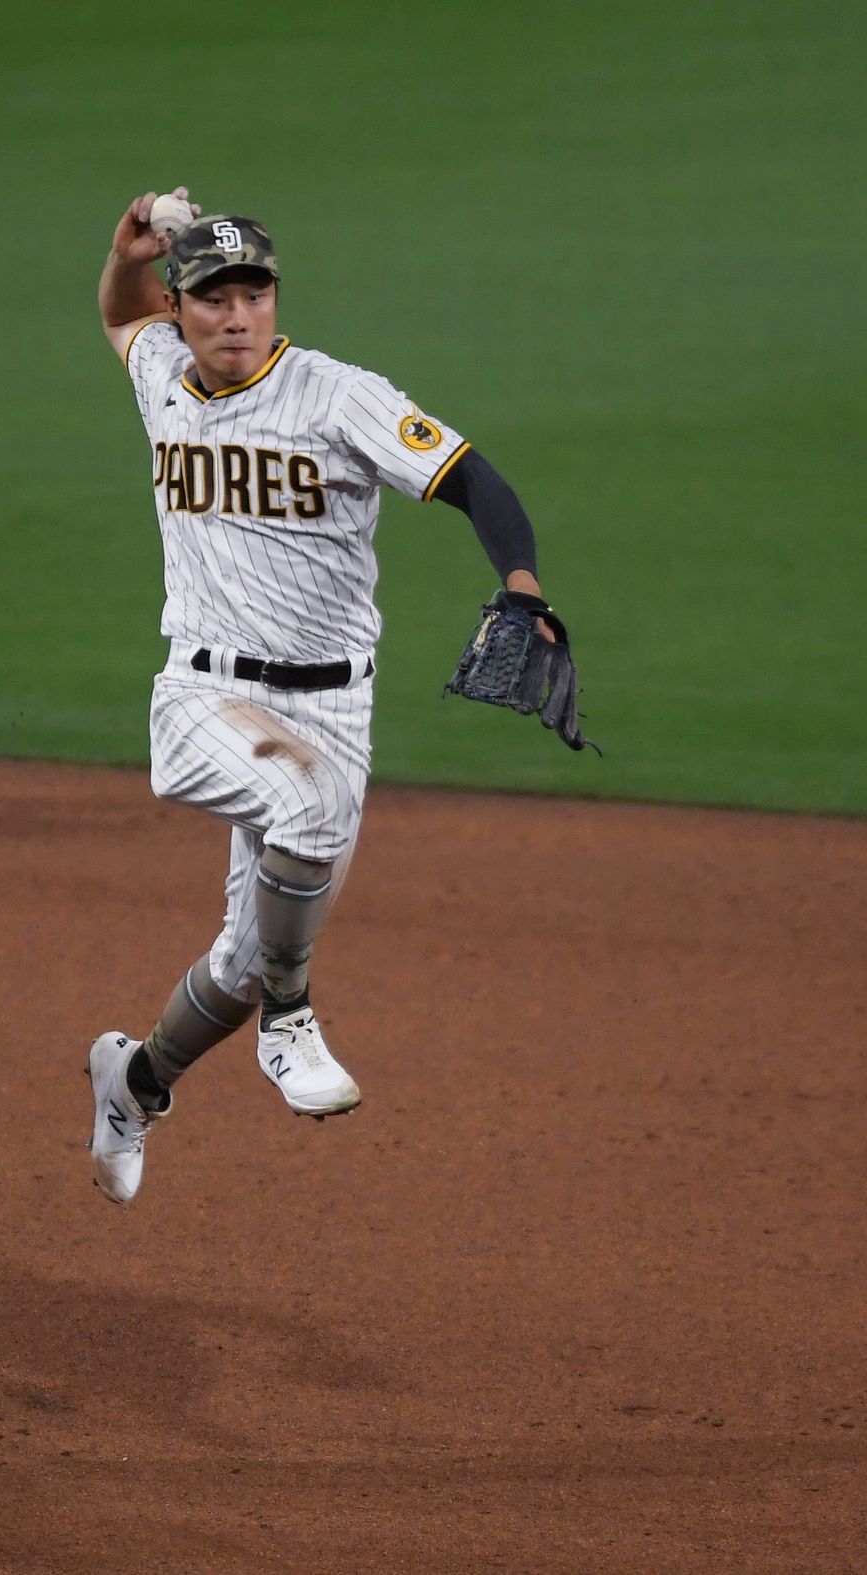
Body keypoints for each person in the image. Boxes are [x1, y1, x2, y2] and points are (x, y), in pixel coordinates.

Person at [86, 193, 574, 1203]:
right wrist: (125, 252)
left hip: (333, 715)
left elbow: (473, 476)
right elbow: (118, 316)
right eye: (212, 296)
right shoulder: (161, 376)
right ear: (183, 310)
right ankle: (294, 1018)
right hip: (202, 697)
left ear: (274, 299)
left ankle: (134, 1083)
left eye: (253, 292)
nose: (235, 314)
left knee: (241, 959)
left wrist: (522, 582)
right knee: (300, 837)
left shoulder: (339, 396)